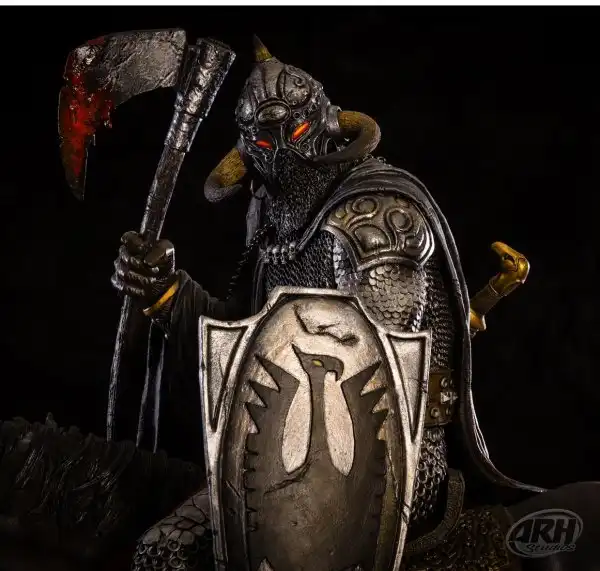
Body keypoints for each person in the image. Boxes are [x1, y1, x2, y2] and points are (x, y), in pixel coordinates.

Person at [112, 38, 600, 571]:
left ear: (326, 127)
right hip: (285, 449)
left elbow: (376, 368)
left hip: (389, 463)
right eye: (263, 141)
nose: (281, 155)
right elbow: (245, 340)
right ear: (248, 147)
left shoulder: (377, 220)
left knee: (171, 548)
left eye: (293, 132)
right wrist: (166, 293)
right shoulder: (274, 221)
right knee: (163, 545)